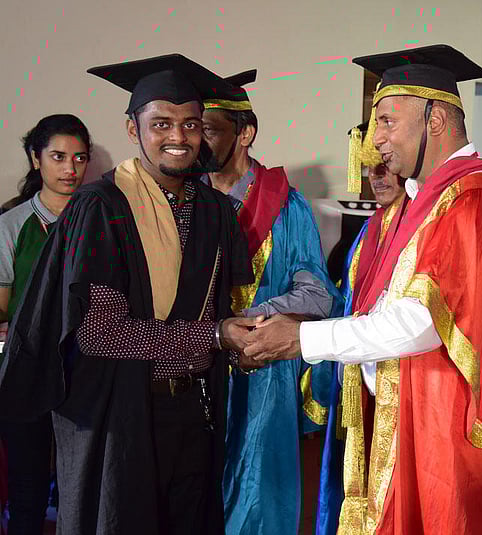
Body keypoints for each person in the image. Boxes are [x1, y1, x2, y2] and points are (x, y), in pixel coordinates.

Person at [244, 44, 482, 534]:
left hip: (446, 432)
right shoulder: (420, 204)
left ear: (435, 119)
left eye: (387, 121)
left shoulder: (478, 200)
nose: (375, 142)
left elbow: (424, 322)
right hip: (404, 418)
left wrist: (303, 339)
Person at [0, 54, 256, 535]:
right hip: (118, 414)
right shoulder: (101, 207)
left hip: (194, 412)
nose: (178, 137)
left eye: (190, 124)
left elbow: (221, 306)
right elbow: (101, 334)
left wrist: (247, 342)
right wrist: (216, 337)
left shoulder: (216, 211)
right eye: (161, 123)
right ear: (133, 128)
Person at [199, 68, 341, 535]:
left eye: (209, 129)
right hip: (195, 364)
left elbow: (318, 294)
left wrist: (249, 319)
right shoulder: (182, 200)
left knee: (257, 496)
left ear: (246, 134)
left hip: (261, 371)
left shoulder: (285, 205)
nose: (195, 140)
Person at [0, 114, 91, 535]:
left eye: (78, 158)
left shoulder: (100, 219)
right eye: (57, 157)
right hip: (26, 367)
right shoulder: (12, 225)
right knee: (27, 486)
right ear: (36, 160)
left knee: (84, 485)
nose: (69, 169)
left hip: (87, 366)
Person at [315, 122, 406, 535]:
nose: (378, 177)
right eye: (371, 167)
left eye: (386, 165)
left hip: (401, 390)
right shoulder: (371, 229)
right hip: (359, 381)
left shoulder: (419, 228)